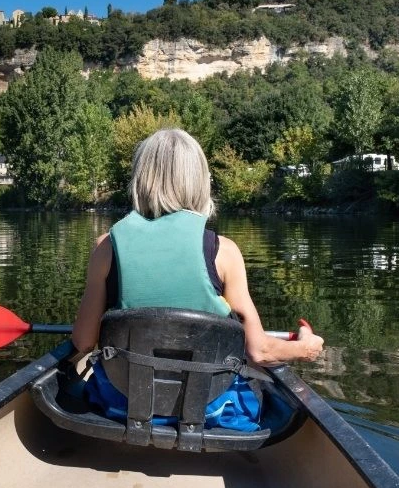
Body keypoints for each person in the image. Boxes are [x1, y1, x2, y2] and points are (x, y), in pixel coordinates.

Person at [72, 128, 324, 425]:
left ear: (140, 180)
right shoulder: (223, 252)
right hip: (210, 409)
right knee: (261, 389)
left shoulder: (106, 247)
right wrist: (303, 348)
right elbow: (259, 351)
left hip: (121, 404)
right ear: (199, 182)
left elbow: (84, 342)